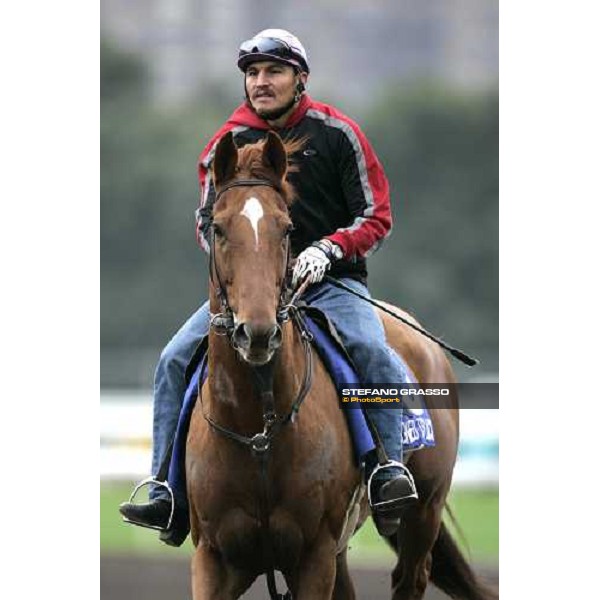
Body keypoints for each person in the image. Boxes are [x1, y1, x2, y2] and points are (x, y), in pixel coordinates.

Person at [120, 28, 418, 534]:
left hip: (332, 282)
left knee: (373, 351)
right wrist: (248, 269)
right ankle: (165, 489)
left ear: (300, 79)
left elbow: (377, 216)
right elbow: (205, 223)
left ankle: (388, 471)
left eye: (274, 71)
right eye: (253, 73)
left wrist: (329, 248)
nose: (261, 82)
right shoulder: (226, 144)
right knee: (173, 359)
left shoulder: (338, 134)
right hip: (250, 290)